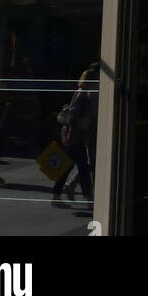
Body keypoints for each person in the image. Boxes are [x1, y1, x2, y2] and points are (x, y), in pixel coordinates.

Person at [51, 65, 97, 208]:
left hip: (77, 134)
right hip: (75, 134)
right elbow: (73, 115)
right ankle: (89, 198)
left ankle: (57, 196)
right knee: (82, 167)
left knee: (68, 166)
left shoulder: (85, 92)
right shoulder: (82, 93)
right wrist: (71, 134)